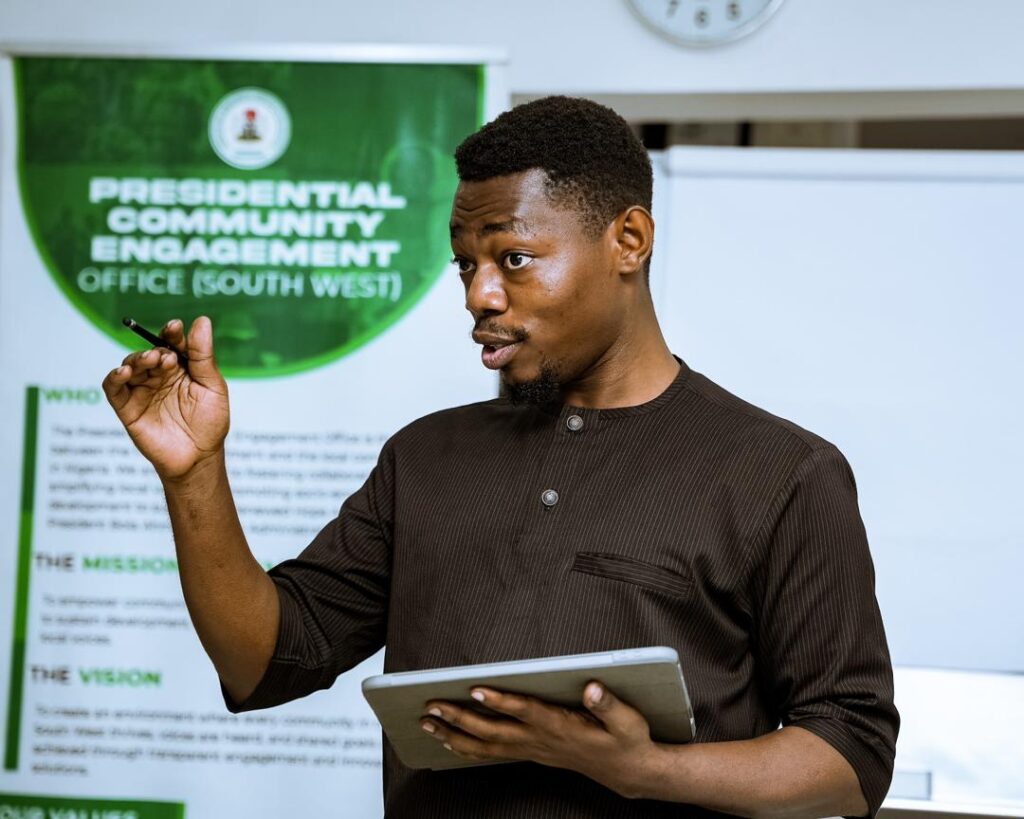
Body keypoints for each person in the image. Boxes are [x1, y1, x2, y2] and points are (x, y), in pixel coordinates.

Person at [102, 96, 898, 818]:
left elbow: (852, 755)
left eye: (513, 257)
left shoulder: (782, 473)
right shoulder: (425, 457)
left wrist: (646, 770)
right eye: (466, 264)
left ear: (628, 241)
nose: (478, 295)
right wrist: (193, 473)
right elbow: (267, 660)